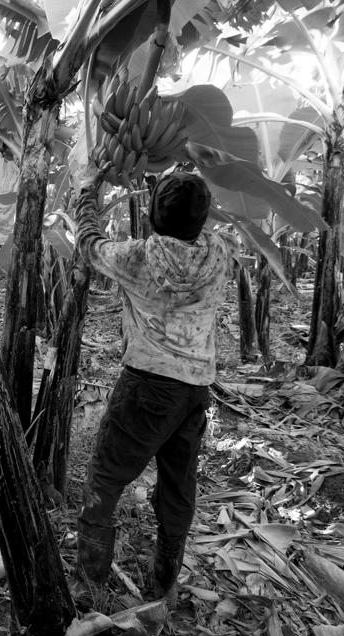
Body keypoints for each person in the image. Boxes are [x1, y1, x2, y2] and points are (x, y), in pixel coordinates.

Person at [73, 165, 237, 610]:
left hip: (147, 386)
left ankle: (89, 587)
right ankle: (163, 580)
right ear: (203, 220)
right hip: (195, 390)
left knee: (105, 478)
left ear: (150, 214)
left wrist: (87, 195)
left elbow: (89, 245)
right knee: (178, 485)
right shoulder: (220, 253)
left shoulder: (138, 258)